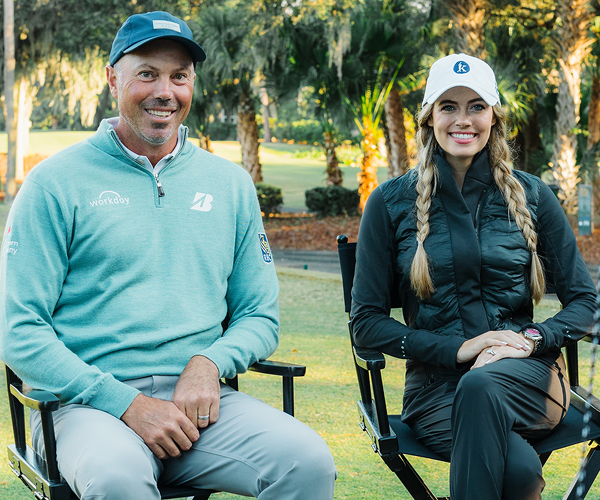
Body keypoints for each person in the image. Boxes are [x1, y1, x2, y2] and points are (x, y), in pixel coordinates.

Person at [0, 11, 336, 500]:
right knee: (118, 480)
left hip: (202, 407)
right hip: (85, 409)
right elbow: (19, 330)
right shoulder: (54, 183)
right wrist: (127, 404)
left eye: (180, 76)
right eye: (148, 74)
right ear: (113, 79)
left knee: (306, 462)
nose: (166, 91)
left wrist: (208, 362)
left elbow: (259, 315)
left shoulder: (231, 185)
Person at [350, 53, 597, 500]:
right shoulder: (390, 202)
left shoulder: (533, 195)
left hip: (529, 381)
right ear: (428, 118)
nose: (463, 120)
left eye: (476, 107)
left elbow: (585, 303)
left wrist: (531, 339)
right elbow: (365, 322)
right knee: (518, 472)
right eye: (448, 106)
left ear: (494, 117)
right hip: (435, 392)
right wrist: (461, 348)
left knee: (483, 385)